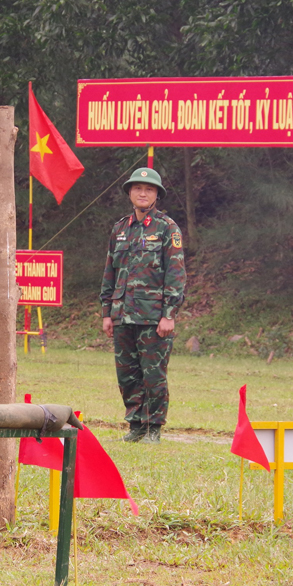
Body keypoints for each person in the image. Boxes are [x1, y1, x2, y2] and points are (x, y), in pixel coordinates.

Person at [99, 167, 186, 443]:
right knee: (127, 374)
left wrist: (169, 315)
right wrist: (107, 313)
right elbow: (110, 272)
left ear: (157, 195)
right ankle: (136, 425)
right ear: (130, 193)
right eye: (137, 188)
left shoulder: (167, 228)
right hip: (122, 315)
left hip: (153, 317)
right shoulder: (120, 229)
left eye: (149, 189)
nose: (143, 193)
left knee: (153, 375)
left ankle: (154, 428)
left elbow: (176, 273)